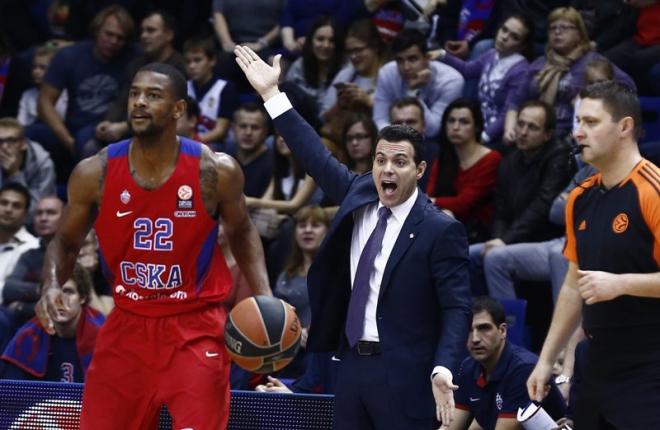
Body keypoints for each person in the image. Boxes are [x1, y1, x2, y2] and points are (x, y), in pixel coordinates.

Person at [236, 45, 471, 429]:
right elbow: (314, 155)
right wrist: (271, 96)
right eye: (381, 160)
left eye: (399, 161)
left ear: (420, 169)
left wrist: (443, 366)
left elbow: (457, 307)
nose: (386, 170)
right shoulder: (358, 193)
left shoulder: (440, 229)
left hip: (407, 376)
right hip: (349, 367)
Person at [38, 62, 271, 430]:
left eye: (153, 95)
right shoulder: (93, 172)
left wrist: (264, 295)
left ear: (179, 109)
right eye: (134, 93)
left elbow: (242, 232)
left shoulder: (214, 171)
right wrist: (51, 284)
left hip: (194, 327)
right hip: (127, 325)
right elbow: (65, 243)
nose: (139, 103)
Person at [527, 81, 660, 429]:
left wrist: (621, 284)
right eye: (577, 122)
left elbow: (607, 284)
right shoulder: (580, 198)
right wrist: (547, 358)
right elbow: (574, 283)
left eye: (590, 122)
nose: (578, 132)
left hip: (649, 365)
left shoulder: (652, 189)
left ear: (624, 127)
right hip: (596, 363)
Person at [26, 5, 138, 181]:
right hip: (71, 130)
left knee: (88, 143)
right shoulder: (70, 56)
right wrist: (69, 141)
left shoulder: (133, 56)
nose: (113, 41)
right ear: (97, 31)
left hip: (109, 131)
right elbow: (44, 103)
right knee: (27, 133)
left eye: (120, 38)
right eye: (109, 34)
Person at [507, 7, 635, 139]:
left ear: (579, 34)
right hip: (535, 134)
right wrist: (510, 128)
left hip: (573, 134)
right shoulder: (539, 63)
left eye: (565, 27)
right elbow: (515, 101)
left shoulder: (592, 61)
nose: (557, 32)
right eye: (552, 28)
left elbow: (627, 87)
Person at [448, 297, 565, 430]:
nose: (475, 339)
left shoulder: (523, 368)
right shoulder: (469, 368)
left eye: (484, 328)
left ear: (502, 331)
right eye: (469, 330)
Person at [435, 14, 534, 146]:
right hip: (477, 125)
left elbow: (508, 111)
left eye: (514, 37)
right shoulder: (492, 54)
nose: (504, 37)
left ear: (522, 46)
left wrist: (484, 137)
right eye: (504, 30)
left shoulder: (521, 71)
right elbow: (467, 70)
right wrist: (442, 55)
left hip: (497, 136)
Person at [95, 10, 188, 146]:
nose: (144, 36)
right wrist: (108, 122)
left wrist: (125, 127)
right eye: (143, 31)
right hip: (130, 128)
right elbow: (122, 99)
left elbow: (174, 114)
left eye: (151, 31)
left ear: (169, 35)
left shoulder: (182, 67)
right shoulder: (136, 64)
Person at [0, 264, 104, 382]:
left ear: (82, 297)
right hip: (41, 401)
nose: (59, 300)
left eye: (68, 292)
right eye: (53, 293)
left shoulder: (104, 334)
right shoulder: (28, 336)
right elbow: (12, 393)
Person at [426, 98, 501, 244]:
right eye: (451, 121)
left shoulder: (491, 159)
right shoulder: (443, 159)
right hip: (444, 222)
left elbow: (464, 203)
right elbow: (430, 196)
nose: (455, 127)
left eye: (464, 122)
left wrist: (433, 201)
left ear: (477, 127)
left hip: (478, 231)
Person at [373, 28, 464, 139]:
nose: (406, 67)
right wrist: (396, 140)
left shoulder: (451, 81)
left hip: (436, 142)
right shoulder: (387, 73)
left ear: (427, 58)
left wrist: (413, 92)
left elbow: (433, 130)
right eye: (400, 61)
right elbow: (380, 119)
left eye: (412, 59)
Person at [3, 196, 64, 326]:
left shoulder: (75, 252)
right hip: (32, 324)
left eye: (51, 213)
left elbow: (67, 301)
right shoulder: (29, 255)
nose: (43, 218)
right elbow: (9, 288)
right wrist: (48, 290)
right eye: (39, 213)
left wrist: (22, 307)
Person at [184, 36, 240, 146]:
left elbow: (220, 131)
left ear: (212, 60)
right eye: (188, 62)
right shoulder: (183, 87)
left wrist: (192, 143)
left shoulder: (225, 88)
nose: (192, 66)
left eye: (197, 60)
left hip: (216, 144)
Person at [284, 16, 344, 112]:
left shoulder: (345, 69)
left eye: (331, 41)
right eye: (320, 39)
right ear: (311, 41)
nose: (326, 45)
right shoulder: (300, 65)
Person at [0, 117, 56, 218]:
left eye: (11, 140)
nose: (4, 147)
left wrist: (14, 174)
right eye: (0, 141)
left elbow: (35, 213)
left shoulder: (43, 165)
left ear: (23, 144)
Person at [17, 45, 68, 126]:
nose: (36, 71)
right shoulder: (28, 95)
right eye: (34, 67)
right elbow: (21, 124)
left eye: (43, 68)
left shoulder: (67, 94)